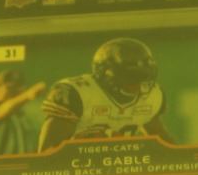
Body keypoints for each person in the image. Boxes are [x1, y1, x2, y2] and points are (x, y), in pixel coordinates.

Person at [38, 38, 171, 150]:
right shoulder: (77, 93)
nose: (137, 86)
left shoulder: (153, 96)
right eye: (130, 79)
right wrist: (79, 141)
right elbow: (48, 153)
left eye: (142, 79)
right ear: (105, 74)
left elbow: (166, 147)